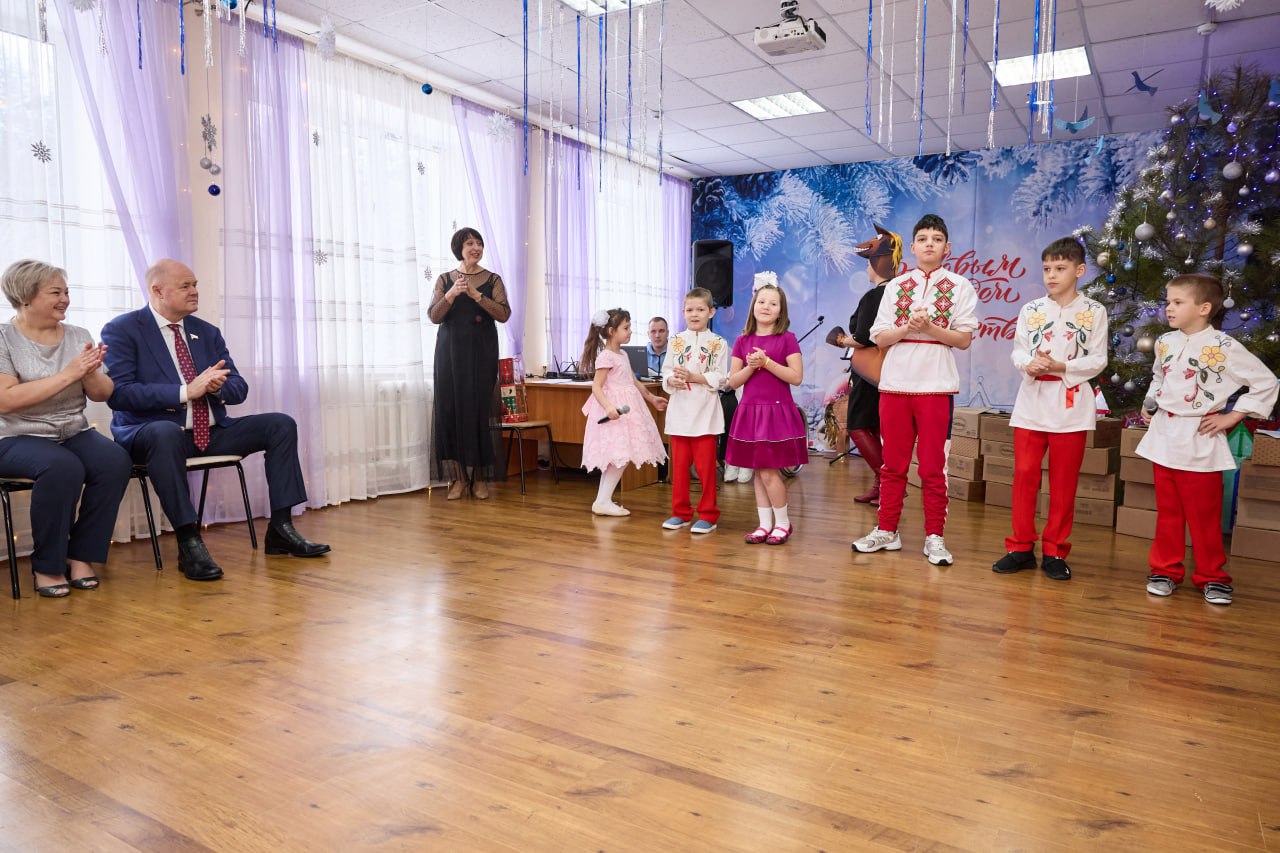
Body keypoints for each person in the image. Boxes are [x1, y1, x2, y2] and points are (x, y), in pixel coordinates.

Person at [102, 259, 329, 582]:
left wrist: (217, 388)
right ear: (158, 291)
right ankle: (189, 542)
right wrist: (186, 391)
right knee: (165, 432)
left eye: (195, 285)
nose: (194, 291)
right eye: (185, 286)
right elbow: (120, 394)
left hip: (209, 432)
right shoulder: (123, 330)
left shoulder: (206, 332)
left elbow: (239, 388)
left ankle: (281, 527)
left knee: (280, 423)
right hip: (151, 436)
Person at [1137, 273, 1278, 606]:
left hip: (1198, 439)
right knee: (1168, 513)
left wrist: (1232, 416)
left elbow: (1266, 382)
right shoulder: (1165, 342)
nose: (1169, 308)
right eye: (1168, 302)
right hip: (1164, 437)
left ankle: (1212, 576)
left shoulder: (1224, 347)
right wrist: (1150, 403)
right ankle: (1165, 570)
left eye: (1177, 302)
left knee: (1203, 516)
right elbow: (1159, 376)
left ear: (1203, 308)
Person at [852, 214, 978, 566]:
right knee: (892, 465)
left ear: (947, 247)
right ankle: (886, 530)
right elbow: (879, 337)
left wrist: (931, 328)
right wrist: (908, 326)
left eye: (936, 239)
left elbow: (963, 340)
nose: (929, 244)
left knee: (933, 468)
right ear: (912, 246)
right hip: (895, 385)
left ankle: (934, 536)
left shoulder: (960, 286)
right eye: (922, 238)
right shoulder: (896, 287)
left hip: (936, 387)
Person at [0, 260, 131, 597]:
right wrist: (70, 373)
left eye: (67, 292)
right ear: (26, 296)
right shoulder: (3, 338)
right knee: (62, 467)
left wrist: (90, 372)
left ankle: (81, 555)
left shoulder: (78, 335)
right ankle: (47, 565)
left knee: (114, 461)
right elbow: (7, 401)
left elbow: (102, 394)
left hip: (72, 430)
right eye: (55, 293)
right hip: (15, 435)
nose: (65, 300)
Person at [992, 237, 1108, 581]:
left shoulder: (1094, 311)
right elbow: (1018, 350)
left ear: (1079, 270)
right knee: (1024, 476)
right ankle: (1020, 547)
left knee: (1063, 482)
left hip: (1071, 405)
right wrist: (1029, 364)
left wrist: (1061, 367)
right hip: (1032, 402)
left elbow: (1098, 359)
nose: (1051, 275)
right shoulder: (1031, 310)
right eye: (1046, 269)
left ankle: (1055, 550)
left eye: (1060, 268)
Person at [428, 227, 512, 500]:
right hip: (449, 356)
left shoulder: (493, 279)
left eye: (479, 243)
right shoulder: (444, 279)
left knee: (478, 412)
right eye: (469, 243)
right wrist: (452, 293)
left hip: (481, 355)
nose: (475, 248)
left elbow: (503, 314)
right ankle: (459, 479)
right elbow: (434, 316)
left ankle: (480, 479)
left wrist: (477, 295)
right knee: (450, 413)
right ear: (459, 249)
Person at [726, 273, 807, 545]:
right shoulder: (742, 341)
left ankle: (783, 523)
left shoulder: (787, 339)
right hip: (750, 412)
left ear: (781, 311)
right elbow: (733, 381)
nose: (766, 307)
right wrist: (752, 366)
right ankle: (764, 525)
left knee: (769, 471)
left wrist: (767, 363)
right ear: (753, 306)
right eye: (762, 301)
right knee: (759, 472)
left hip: (776, 412)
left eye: (773, 303)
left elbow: (796, 377)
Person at [580, 308, 668, 516]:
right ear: (612, 331)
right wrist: (609, 407)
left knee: (620, 454)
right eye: (626, 328)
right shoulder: (606, 357)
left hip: (630, 409)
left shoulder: (623, 354)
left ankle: (602, 500)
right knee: (620, 454)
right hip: (616, 410)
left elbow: (633, 381)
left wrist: (651, 398)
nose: (630, 331)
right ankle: (603, 501)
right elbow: (596, 387)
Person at [839, 224, 903, 507]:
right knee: (874, 427)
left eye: (869, 262)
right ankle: (882, 485)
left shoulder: (876, 295)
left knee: (858, 426)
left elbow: (864, 337)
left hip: (868, 373)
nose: (866, 268)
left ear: (878, 262)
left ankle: (888, 482)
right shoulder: (898, 294)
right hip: (888, 371)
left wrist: (841, 340)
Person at [661, 288, 728, 533]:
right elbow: (666, 371)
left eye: (700, 309)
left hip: (705, 415)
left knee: (706, 470)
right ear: (683, 312)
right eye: (690, 310)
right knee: (679, 469)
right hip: (679, 414)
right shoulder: (675, 341)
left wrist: (694, 377)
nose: (694, 314)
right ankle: (680, 513)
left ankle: (708, 515)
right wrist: (671, 380)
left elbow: (721, 377)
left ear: (711, 312)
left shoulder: (719, 343)